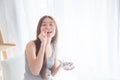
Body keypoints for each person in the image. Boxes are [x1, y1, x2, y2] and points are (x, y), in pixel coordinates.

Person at [24, 15, 74, 80]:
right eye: (44, 25)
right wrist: (43, 44)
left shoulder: (54, 46)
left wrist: (61, 65)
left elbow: (53, 73)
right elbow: (35, 71)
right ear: (39, 29)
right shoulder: (31, 45)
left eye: (51, 24)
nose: (47, 27)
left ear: (55, 29)